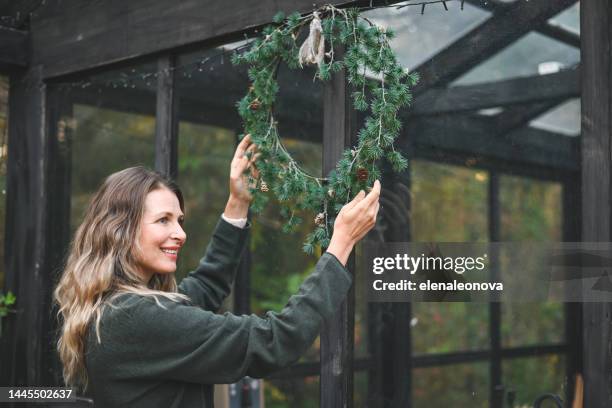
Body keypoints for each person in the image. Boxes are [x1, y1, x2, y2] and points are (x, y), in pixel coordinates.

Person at [54, 135, 381, 408]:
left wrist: (238, 202)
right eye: (163, 220)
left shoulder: (119, 309)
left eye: (179, 221)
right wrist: (340, 245)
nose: (181, 233)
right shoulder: (134, 317)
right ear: (120, 231)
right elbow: (272, 340)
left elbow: (204, 287)